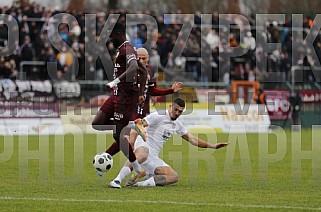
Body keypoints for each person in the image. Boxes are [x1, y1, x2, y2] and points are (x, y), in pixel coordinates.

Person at [109, 98, 229, 188]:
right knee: (144, 153)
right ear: (170, 106)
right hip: (142, 147)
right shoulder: (158, 116)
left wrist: (213, 146)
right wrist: (131, 142)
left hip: (153, 157)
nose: (177, 113)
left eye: (180, 112)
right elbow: (138, 125)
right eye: (175, 109)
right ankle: (117, 180)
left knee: (173, 177)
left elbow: (192, 139)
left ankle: (139, 183)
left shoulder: (177, 125)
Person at [92, 23, 147, 176]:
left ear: (118, 34)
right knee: (97, 123)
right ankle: (130, 124)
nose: (110, 40)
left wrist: (115, 82)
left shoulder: (127, 48)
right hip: (117, 94)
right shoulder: (122, 50)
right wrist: (142, 93)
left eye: (111, 36)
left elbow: (134, 67)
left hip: (126, 97)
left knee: (118, 135)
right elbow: (143, 72)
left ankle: (137, 169)